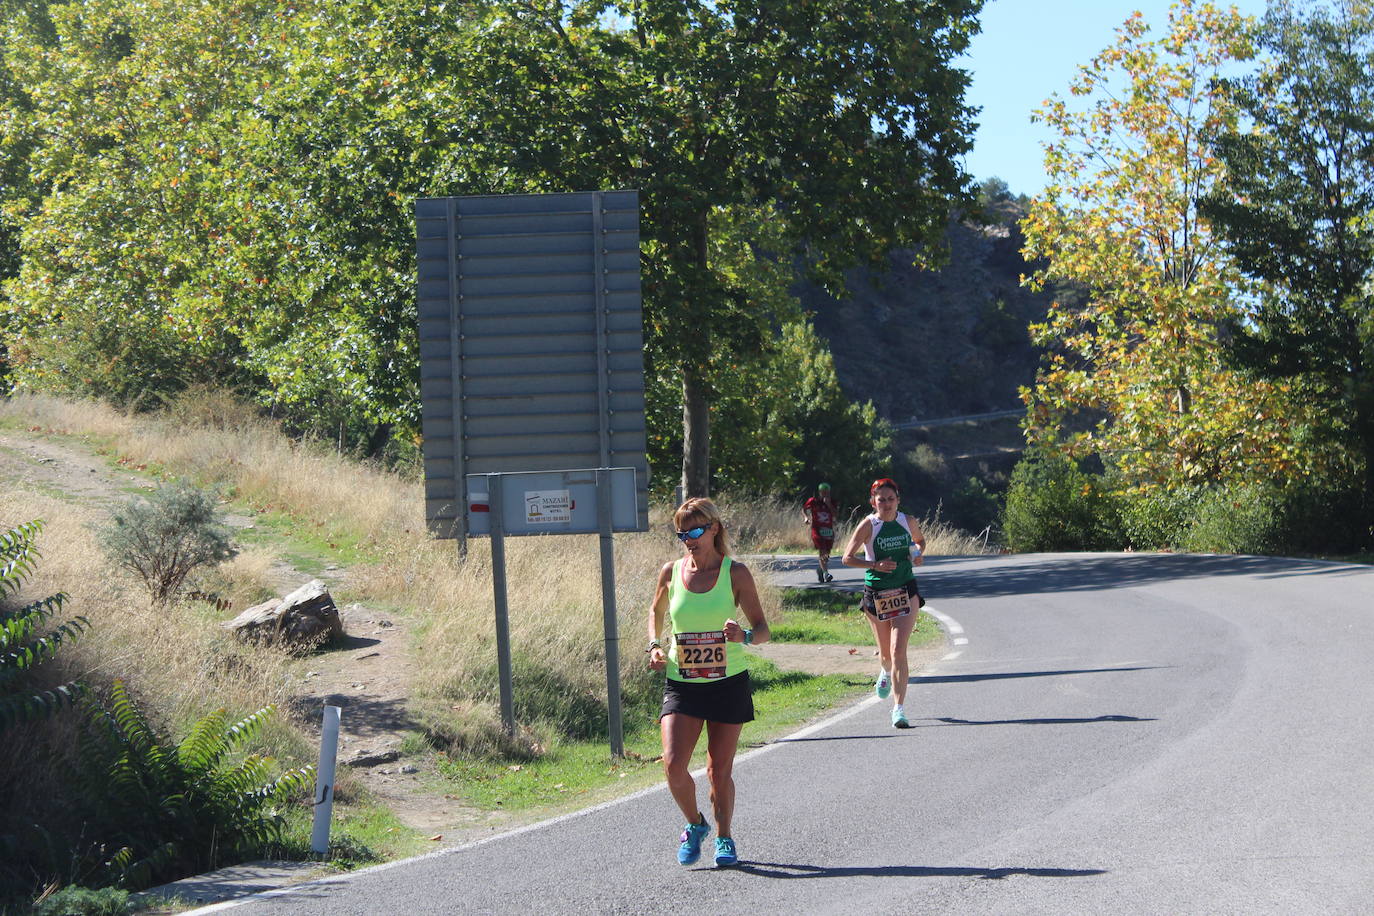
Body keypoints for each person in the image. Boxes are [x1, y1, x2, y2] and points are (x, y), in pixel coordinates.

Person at [647, 497, 770, 868]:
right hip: (682, 683)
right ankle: (695, 824)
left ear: (714, 528)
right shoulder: (671, 572)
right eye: (682, 532)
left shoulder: (736, 573)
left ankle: (725, 837)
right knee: (672, 765)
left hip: (727, 683)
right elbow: (654, 612)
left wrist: (743, 637)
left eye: (696, 530)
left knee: (719, 770)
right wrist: (654, 644)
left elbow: (763, 630)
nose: (689, 539)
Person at [840, 477, 926, 729]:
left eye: (891, 499)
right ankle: (885, 671)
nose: (886, 504)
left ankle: (898, 709)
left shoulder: (907, 521)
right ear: (873, 502)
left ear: (898, 500)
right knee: (886, 653)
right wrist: (874, 565)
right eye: (881, 500)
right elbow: (847, 558)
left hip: (905, 589)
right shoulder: (868, 525)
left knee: (899, 650)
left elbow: (920, 541)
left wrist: (918, 554)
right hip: (877, 593)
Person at [802, 482, 839, 582]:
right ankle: (826, 574)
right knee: (822, 550)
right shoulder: (813, 501)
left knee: (827, 553)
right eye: (823, 492)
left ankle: (821, 569)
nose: (825, 494)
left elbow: (835, 515)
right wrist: (806, 518)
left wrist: (829, 504)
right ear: (819, 492)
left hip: (828, 530)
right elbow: (804, 509)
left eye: (827, 492)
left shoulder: (833, 502)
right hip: (817, 530)